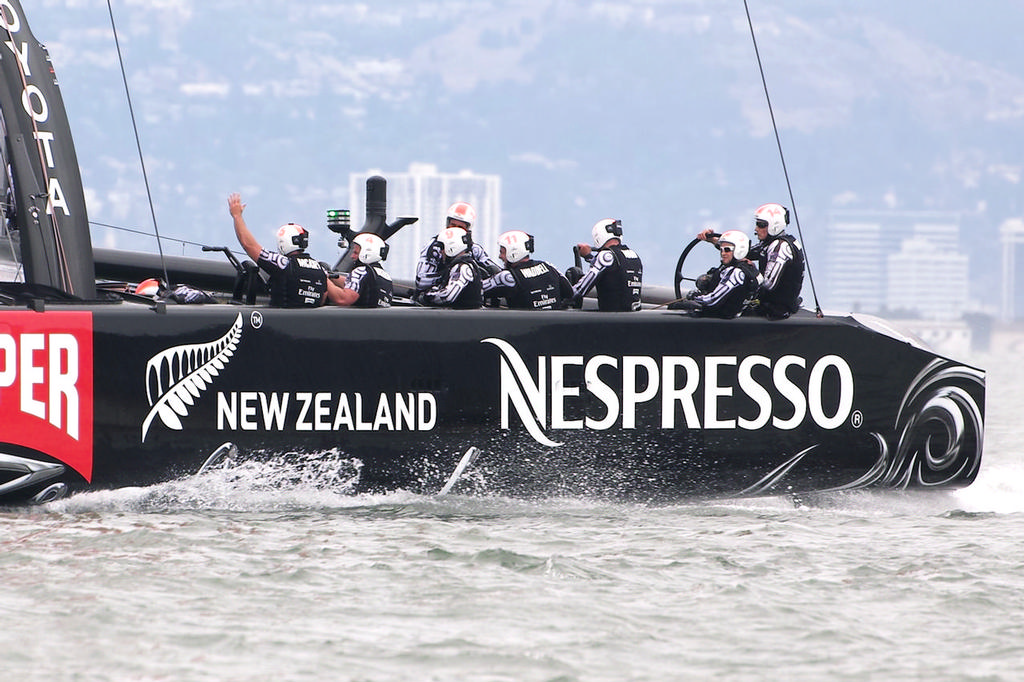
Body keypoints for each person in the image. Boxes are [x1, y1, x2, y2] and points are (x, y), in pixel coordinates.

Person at [228, 192, 345, 307]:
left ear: (282, 243)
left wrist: (237, 216)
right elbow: (324, 297)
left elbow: (249, 245)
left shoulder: (282, 263)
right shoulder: (321, 270)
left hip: (279, 322)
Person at [415, 201, 501, 296]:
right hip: (435, 299)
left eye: (460, 227)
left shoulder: (475, 249)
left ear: (467, 230)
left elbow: (495, 272)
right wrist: (452, 276)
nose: (455, 229)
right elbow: (421, 282)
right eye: (452, 225)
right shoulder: (434, 247)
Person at [669, 229, 759, 318]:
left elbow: (712, 300)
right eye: (721, 250)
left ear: (739, 250)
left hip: (722, 321)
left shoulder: (737, 273)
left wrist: (694, 296)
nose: (723, 253)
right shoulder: (744, 268)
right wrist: (712, 239)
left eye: (727, 250)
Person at [482, 230, 573, 309]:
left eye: (502, 252)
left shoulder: (507, 277)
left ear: (513, 253)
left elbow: (474, 291)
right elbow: (570, 292)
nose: (500, 256)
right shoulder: (549, 266)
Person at [568, 218, 643, 311]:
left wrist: (563, 297)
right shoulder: (634, 256)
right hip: (633, 317)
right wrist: (588, 256)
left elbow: (580, 290)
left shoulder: (605, 256)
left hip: (611, 320)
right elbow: (613, 269)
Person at [749, 202, 805, 319]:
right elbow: (746, 252)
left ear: (773, 225)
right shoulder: (774, 242)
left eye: (760, 225)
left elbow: (768, 284)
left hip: (776, 308)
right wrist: (718, 241)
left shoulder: (779, 246)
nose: (756, 229)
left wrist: (751, 271)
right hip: (778, 303)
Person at [418, 226, 483, 308]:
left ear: (452, 247)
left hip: (464, 318)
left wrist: (426, 297)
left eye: (442, 248)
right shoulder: (461, 265)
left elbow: (448, 296)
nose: (441, 252)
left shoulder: (463, 267)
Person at [334, 233, 394, 308]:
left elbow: (343, 299)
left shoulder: (361, 271)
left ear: (367, 254)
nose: (352, 256)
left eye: (355, 253)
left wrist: (325, 280)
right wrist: (331, 277)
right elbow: (355, 283)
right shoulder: (384, 276)